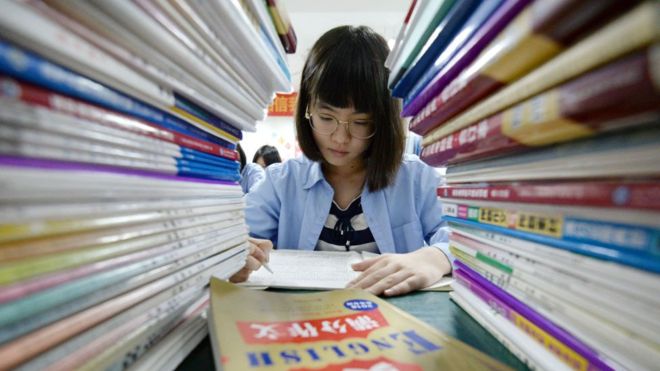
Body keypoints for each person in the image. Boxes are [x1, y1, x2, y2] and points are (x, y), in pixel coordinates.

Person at [230, 25, 451, 296]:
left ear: (383, 121)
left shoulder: (417, 179)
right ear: (308, 109)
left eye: (360, 122)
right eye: (326, 118)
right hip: (303, 319)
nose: (340, 137)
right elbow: (233, 236)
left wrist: (435, 258)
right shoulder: (281, 182)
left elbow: (465, 237)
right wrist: (235, 256)